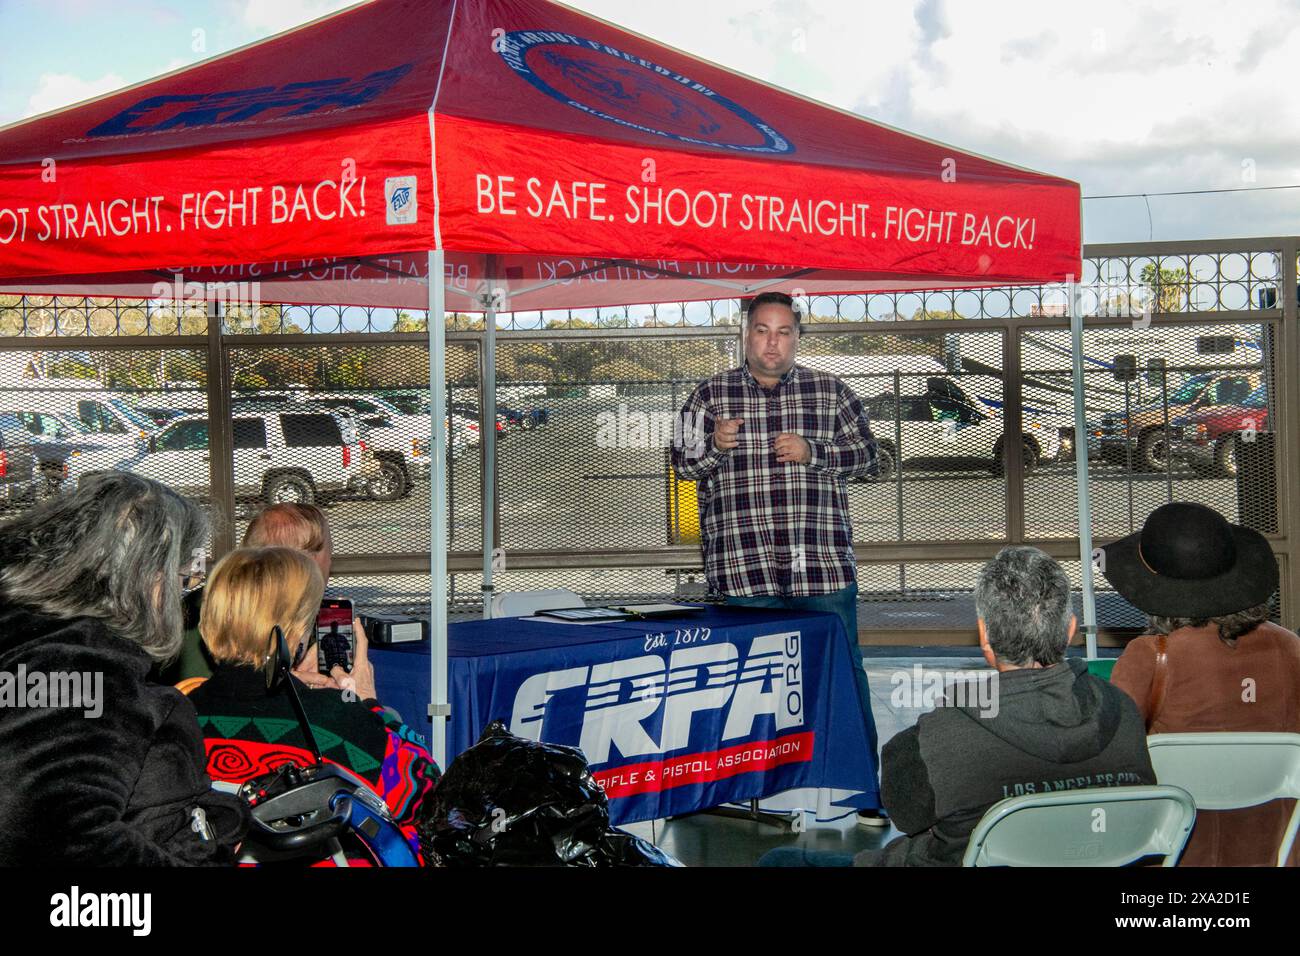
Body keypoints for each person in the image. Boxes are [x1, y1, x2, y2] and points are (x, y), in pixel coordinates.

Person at [760, 547, 1156, 867]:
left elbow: (907, 816)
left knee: (780, 860)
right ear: (1070, 631)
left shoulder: (937, 736)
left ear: (984, 636)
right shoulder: (1122, 712)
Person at [670, 291, 885, 825]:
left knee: (844, 676)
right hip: (743, 573)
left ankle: (864, 793)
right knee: (738, 685)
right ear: (746, 334)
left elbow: (875, 460)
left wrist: (818, 453)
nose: (773, 341)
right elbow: (681, 465)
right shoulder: (707, 396)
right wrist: (715, 446)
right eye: (763, 330)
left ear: (797, 338)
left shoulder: (831, 392)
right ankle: (724, 793)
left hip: (821, 571)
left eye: (784, 331)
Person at [0, 472, 247, 864]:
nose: (177, 598)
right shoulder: (77, 663)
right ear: (146, 577)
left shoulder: (31, 637)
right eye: (180, 579)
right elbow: (58, 834)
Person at [186, 546, 440, 863]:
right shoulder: (336, 719)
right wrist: (369, 704)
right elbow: (428, 794)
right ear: (295, 632)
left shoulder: (177, 716)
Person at [1103, 501, 1300, 866]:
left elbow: (1114, 761)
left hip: (1177, 854)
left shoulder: (1150, 657)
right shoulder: (1290, 648)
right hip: (1278, 850)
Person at [162, 502, 350, 688]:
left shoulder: (189, 610)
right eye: (329, 555)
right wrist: (289, 688)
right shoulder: (314, 621)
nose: (330, 564)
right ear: (303, 567)